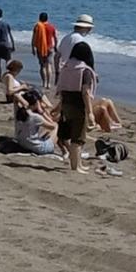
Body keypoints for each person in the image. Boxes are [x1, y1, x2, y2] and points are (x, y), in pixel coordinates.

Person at [54, 38, 98, 173]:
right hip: (78, 105)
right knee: (78, 139)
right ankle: (76, 166)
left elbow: (61, 89)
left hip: (66, 104)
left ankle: (78, 163)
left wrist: (59, 107)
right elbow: (85, 92)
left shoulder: (66, 68)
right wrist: (90, 112)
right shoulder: (85, 71)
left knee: (72, 136)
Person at [10, 88, 58, 154]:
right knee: (56, 125)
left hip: (22, 143)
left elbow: (16, 95)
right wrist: (41, 112)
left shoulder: (19, 111)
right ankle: (57, 148)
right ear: (36, 103)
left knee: (46, 130)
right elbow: (52, 126)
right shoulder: (35, 117)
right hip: (38, 148)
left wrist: (24, 102)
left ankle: (41, 140)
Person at [31, 12, 59, 88]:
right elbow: (55, 38)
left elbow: (34, 38)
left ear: (39, 18)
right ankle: (49, 84)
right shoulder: (51, 27)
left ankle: (44, 83)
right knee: (49, 66)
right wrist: (56, 46)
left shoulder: (37, 26)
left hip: (40, 48)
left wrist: (33, 47)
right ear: (47, 18)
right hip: (50, 48)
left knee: (42, 66)